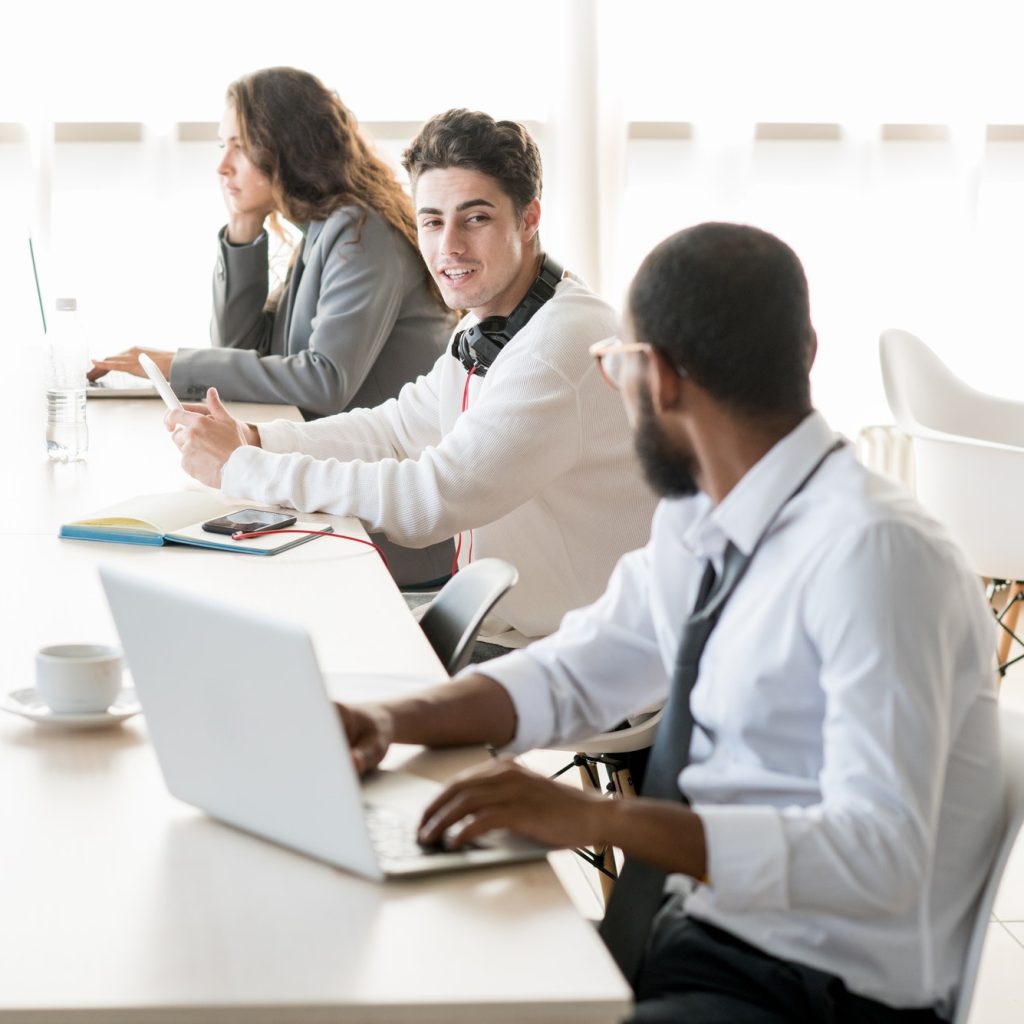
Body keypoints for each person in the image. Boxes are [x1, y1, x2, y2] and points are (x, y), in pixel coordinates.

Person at [331, 223, 1003, 1022]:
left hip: (815, 987)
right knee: (403, 970)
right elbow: (576, 672)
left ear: (661, 380)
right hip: (694, 935)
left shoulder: (874, 555)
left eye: (616, 366)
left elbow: (878, 857)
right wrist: (388, 718)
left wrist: (597, 819)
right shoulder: (702, 516)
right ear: (807, 352)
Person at [166, 109, 658, 648]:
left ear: (528, 218)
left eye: (475, 219)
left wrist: (243, 467)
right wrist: (257, 438)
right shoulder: (496, 319)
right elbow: (395, 432)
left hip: (577, 661)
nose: (448, 246)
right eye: (431, 220)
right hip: (501, 624)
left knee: (286, 652)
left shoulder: (556, 347)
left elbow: (428, 500)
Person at [90, 67, 451, 421]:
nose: (222, 166)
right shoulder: (320, 229)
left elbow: (325, 381)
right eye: (222, 145)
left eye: (240, 147)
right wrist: (243, 226)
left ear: (287, 148)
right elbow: (241, 348)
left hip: (380, 464)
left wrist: (175, 365)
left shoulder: (360, 232)